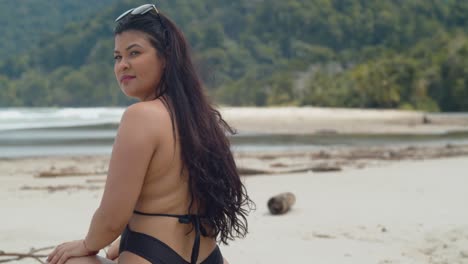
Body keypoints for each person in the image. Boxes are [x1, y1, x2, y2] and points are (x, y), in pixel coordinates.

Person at [47, 3, 253, 264]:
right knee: (115, 249)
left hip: (155, 255)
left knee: (70, 261)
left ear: (165, 58)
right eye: (117, 57)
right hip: (209, 257)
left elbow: (112, 218)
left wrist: (86, 244)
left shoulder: (141, 116)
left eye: (134, 53)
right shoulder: (201, 118)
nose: (123, 65)